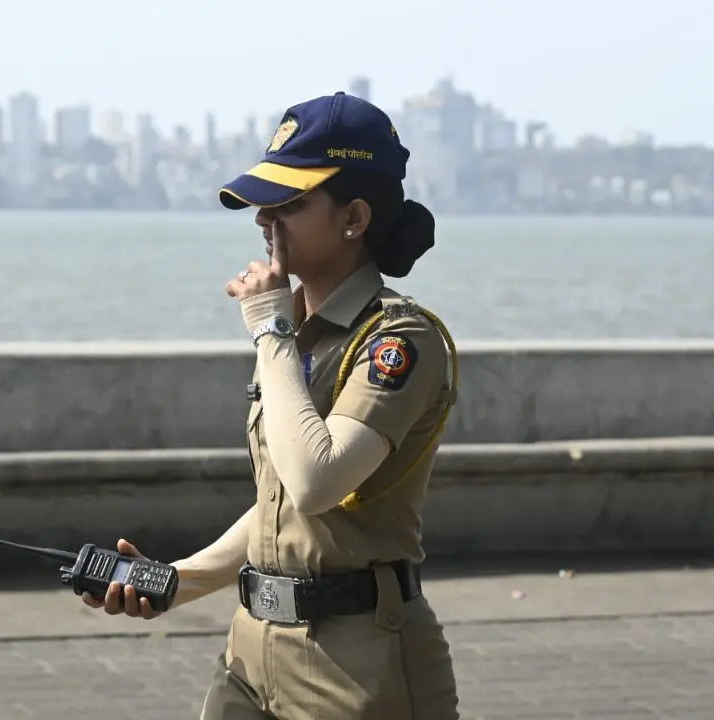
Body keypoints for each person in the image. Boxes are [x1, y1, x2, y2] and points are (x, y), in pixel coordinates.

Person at [81, 91, 461, 720]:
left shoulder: (397, 340)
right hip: (252, 648)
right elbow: (279, 506)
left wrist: (270, 329)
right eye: (264, 203)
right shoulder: (296, 335)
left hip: (359, 660)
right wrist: (179, 580)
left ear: (355, 217)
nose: (264, 219)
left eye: (290, 202)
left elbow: (316, 481)